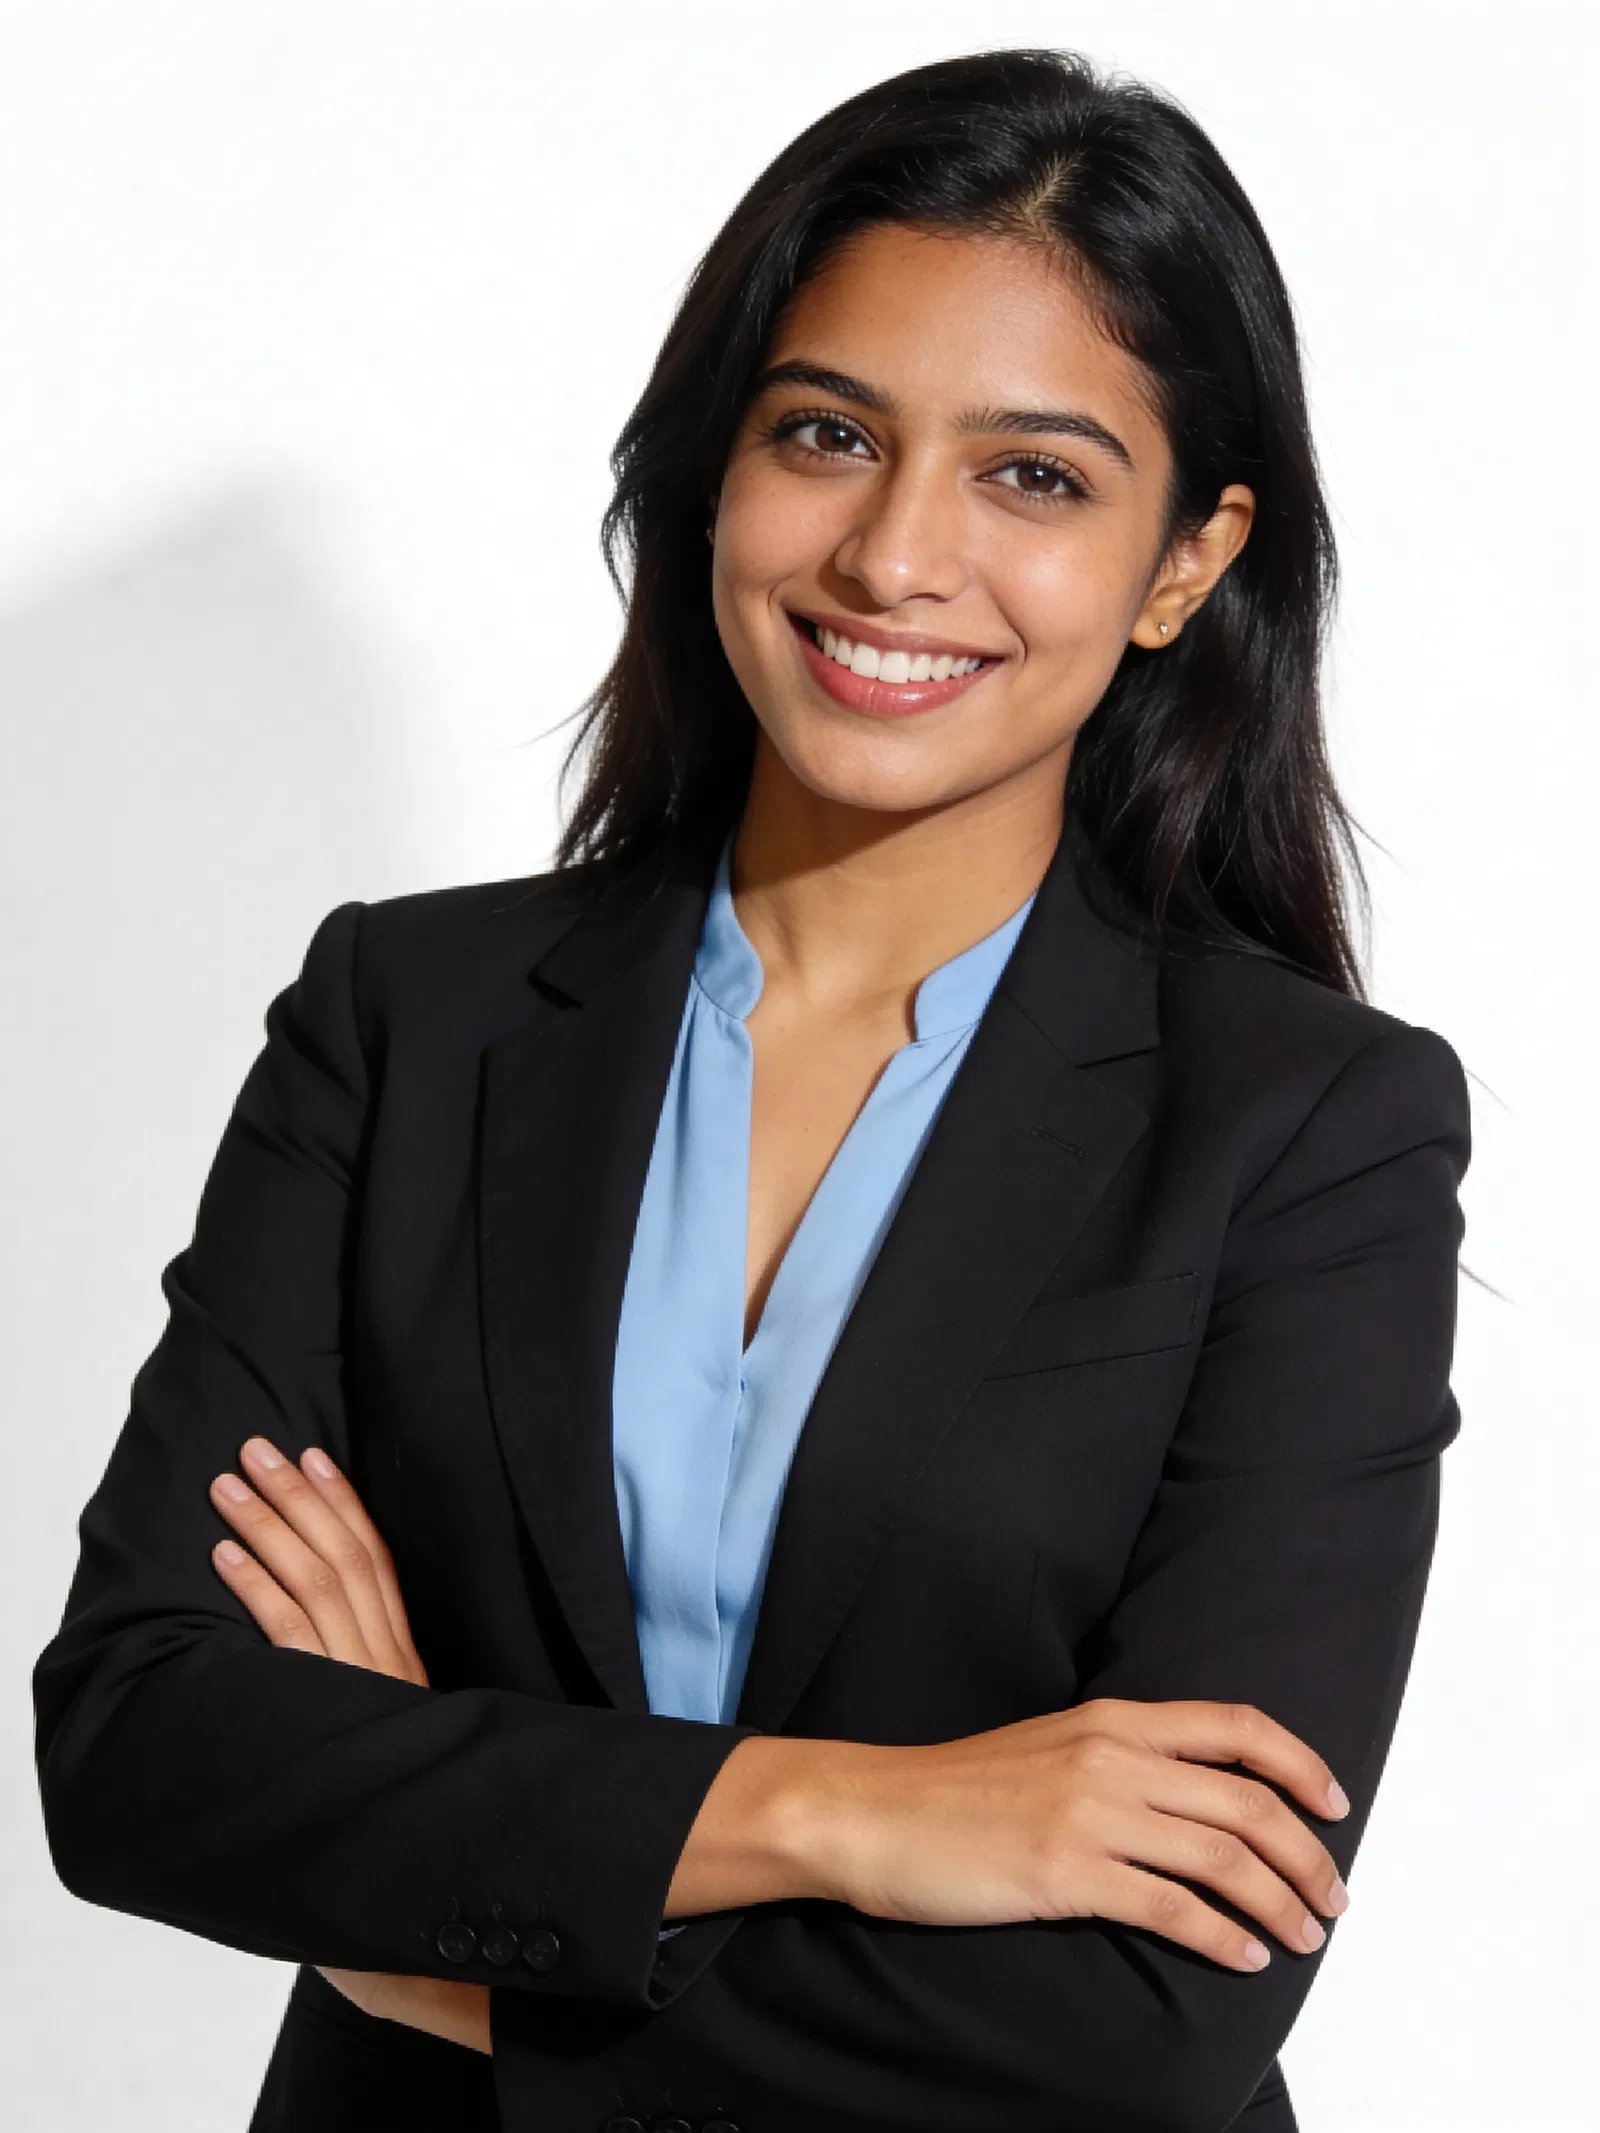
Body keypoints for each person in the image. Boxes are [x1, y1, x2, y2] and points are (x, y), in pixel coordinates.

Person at [32, 47, 1469, 2133]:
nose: (894, 556)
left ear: (1183, 559)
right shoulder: (410, 1017)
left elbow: (1140, 2021)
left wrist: (433, 1918)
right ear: (720, 462)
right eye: (826, 435)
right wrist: (853, 1814)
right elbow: (141, 1749)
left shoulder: (1305, 1132)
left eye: (1033, 477)